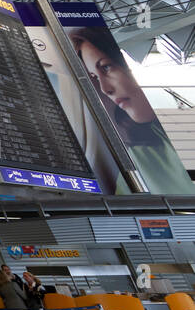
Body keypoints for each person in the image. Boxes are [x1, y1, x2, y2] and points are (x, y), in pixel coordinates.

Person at [70, 26, 194, 194]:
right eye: (95, 77)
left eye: (106, 67)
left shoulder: (182, 126)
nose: (105, 89)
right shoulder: (136, 161)